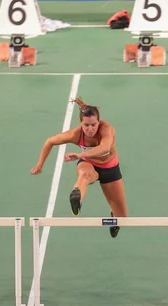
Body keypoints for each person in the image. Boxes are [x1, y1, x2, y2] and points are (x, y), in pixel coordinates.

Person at [31, 97, 127, 238]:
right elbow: (49, 141)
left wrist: (79, 154)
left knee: (122, 218)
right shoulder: (76, 134)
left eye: (93, 125)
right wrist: (39, 165)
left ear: (98, 122)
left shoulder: (107, 129)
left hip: (109, 167)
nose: (90, 129)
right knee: (85, 175)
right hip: (88, 163)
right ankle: (77, 199)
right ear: (80, 122)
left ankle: (115, 218)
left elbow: (104, 147)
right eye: (86, 125)